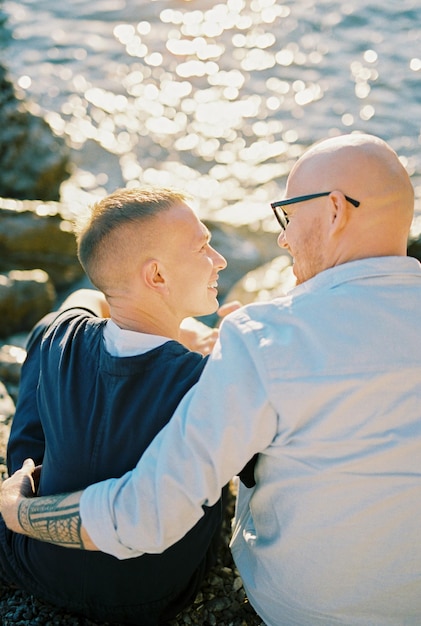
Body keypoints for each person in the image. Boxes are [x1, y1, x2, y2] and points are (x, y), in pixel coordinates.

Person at [3, 132, 421, 625]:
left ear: (334, 210)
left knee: (54, 346)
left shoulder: (266, 339)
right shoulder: (240, 347)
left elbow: (145, 515)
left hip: (304, 608)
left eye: (288, 213)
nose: (283, 238)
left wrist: (19, 513)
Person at [0, 187, 230, 625]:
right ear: (157, 276)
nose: (218, 259)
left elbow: (79, 304)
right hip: (154, 589)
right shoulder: (207, 377)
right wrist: (194, 344)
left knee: (48, 338)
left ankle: (24, 472)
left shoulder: (63, 336)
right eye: (203, 247)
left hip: (38, 564)